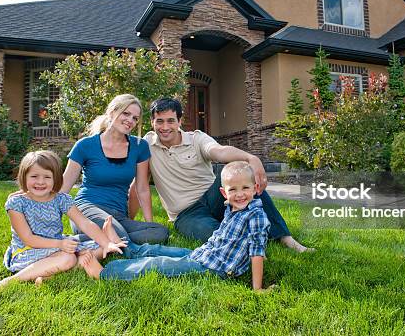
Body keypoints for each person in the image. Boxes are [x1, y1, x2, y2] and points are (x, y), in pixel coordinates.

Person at [130, 97, 312, 252]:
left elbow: (220, 151)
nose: (165, 127)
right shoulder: (147, 146)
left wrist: (251, 158)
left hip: (216, 197)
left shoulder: (196, 138)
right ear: (152, 122)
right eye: (159, 121)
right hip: (186, 214)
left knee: (245, 177)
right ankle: (244, 239)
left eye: (170, 120)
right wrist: (148, 224)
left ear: (179, 121)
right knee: (217, 237)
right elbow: (140, 186)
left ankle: (285, 238)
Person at [80, 161, 270, 290]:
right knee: (160, 250)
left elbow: (257, 252)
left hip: (214, 267)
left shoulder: (256, 217)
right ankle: (129, 248)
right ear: (223, 193)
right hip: (206, 254)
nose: (240, 194)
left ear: (255, 188)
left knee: (158, 264)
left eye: (246, 188)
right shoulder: (232, 207)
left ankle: (105, 273)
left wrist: (257, 288)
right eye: (233, 190)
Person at [0, 150, 126, 289]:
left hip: (57, 246)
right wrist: (59, 244)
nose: (40, 182)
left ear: (56, 178)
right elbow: (28, 238)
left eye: (47, 177)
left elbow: (85, 223)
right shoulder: (17, 203)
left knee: (102, 248)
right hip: (29, 250)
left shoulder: (61, 199)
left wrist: (105, 244)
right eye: (34, 176)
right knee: (69, 258)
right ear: (24, 177)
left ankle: (49, 277)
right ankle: (13, 279)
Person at [62, 94, 169, 245]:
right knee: (114, 231)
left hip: (119, 215)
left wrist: (148, 224)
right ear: (112, 112)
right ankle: (113, 240)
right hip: (87, 209)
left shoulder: (139, 147)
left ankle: (82, 241)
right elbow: (63, 188)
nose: (130, 120)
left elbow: (142, 188)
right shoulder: (85, 145)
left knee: (160, 232)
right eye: (126, 113)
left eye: (135, 118)